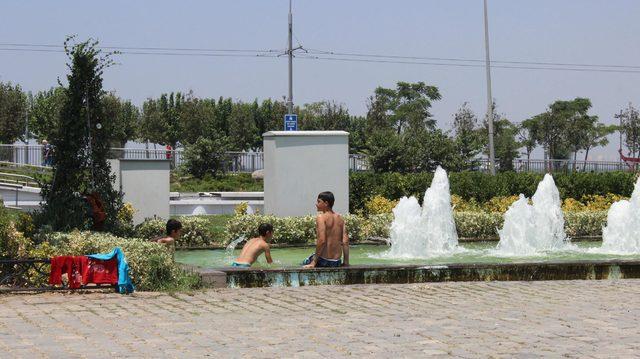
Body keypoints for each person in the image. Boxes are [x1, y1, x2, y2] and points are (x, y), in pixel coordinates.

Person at [303, 191, 349, 268]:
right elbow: (345, 241)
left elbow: (322, 240)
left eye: (319, 202)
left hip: (324, 261)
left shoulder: (321, 217)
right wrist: (346, 262)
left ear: (326, 203)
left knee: (303, 263)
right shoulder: (340, 218)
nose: (316, 204)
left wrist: (313, 263)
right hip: (336, 262)